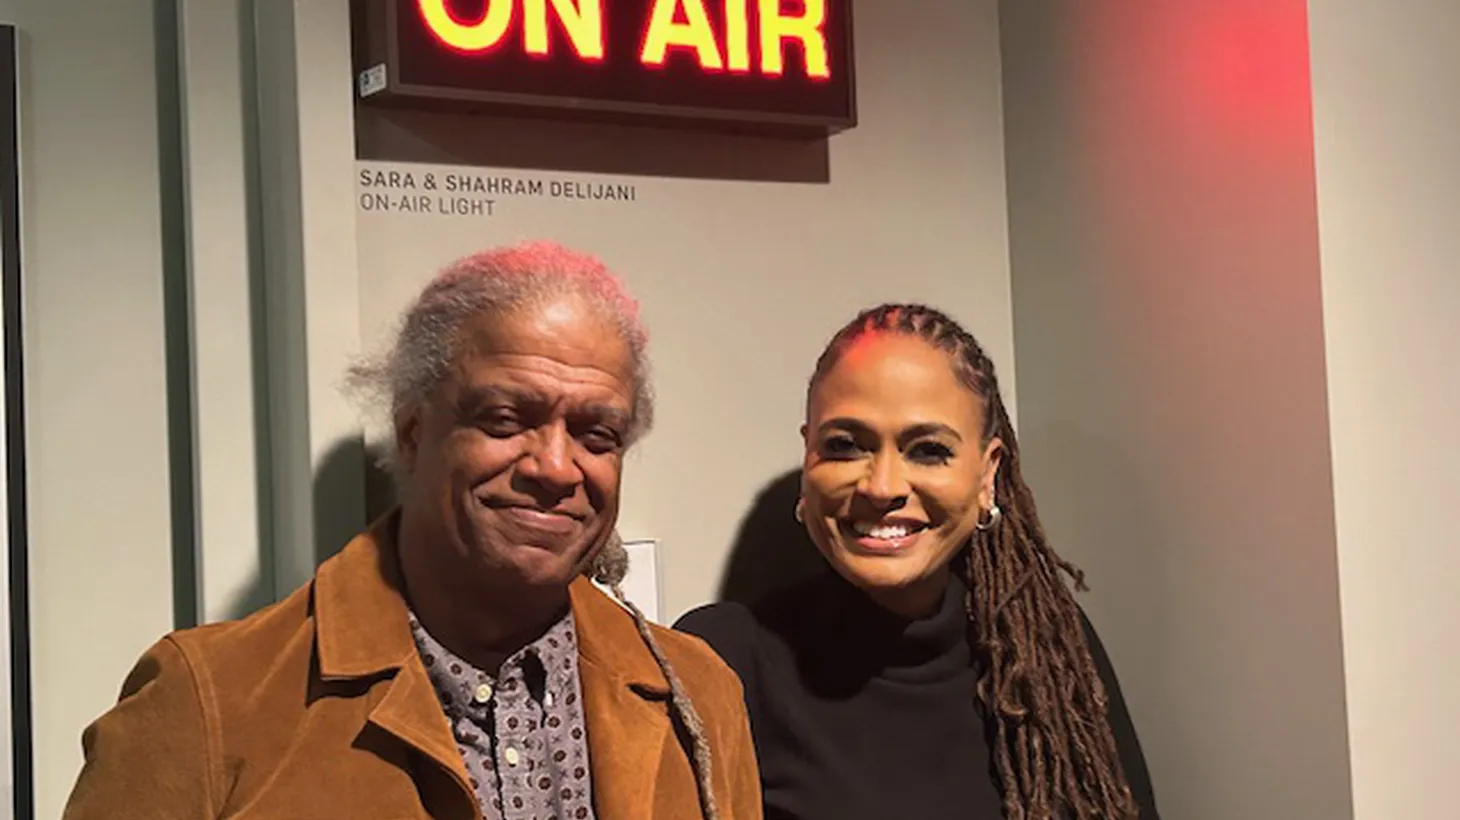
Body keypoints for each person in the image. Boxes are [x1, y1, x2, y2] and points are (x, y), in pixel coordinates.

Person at [64, 241, 761, 820]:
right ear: (412, 432)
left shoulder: (697, 695)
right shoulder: (208, 702)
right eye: (504, 419)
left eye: (595, 433)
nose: (555, 467)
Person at [676, 304, 1160, 820]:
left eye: (928, 451)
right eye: (844, 446)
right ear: (808, 457)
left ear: (986, 475)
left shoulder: (1050, 648)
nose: (882, 487)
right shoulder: (720, 661)